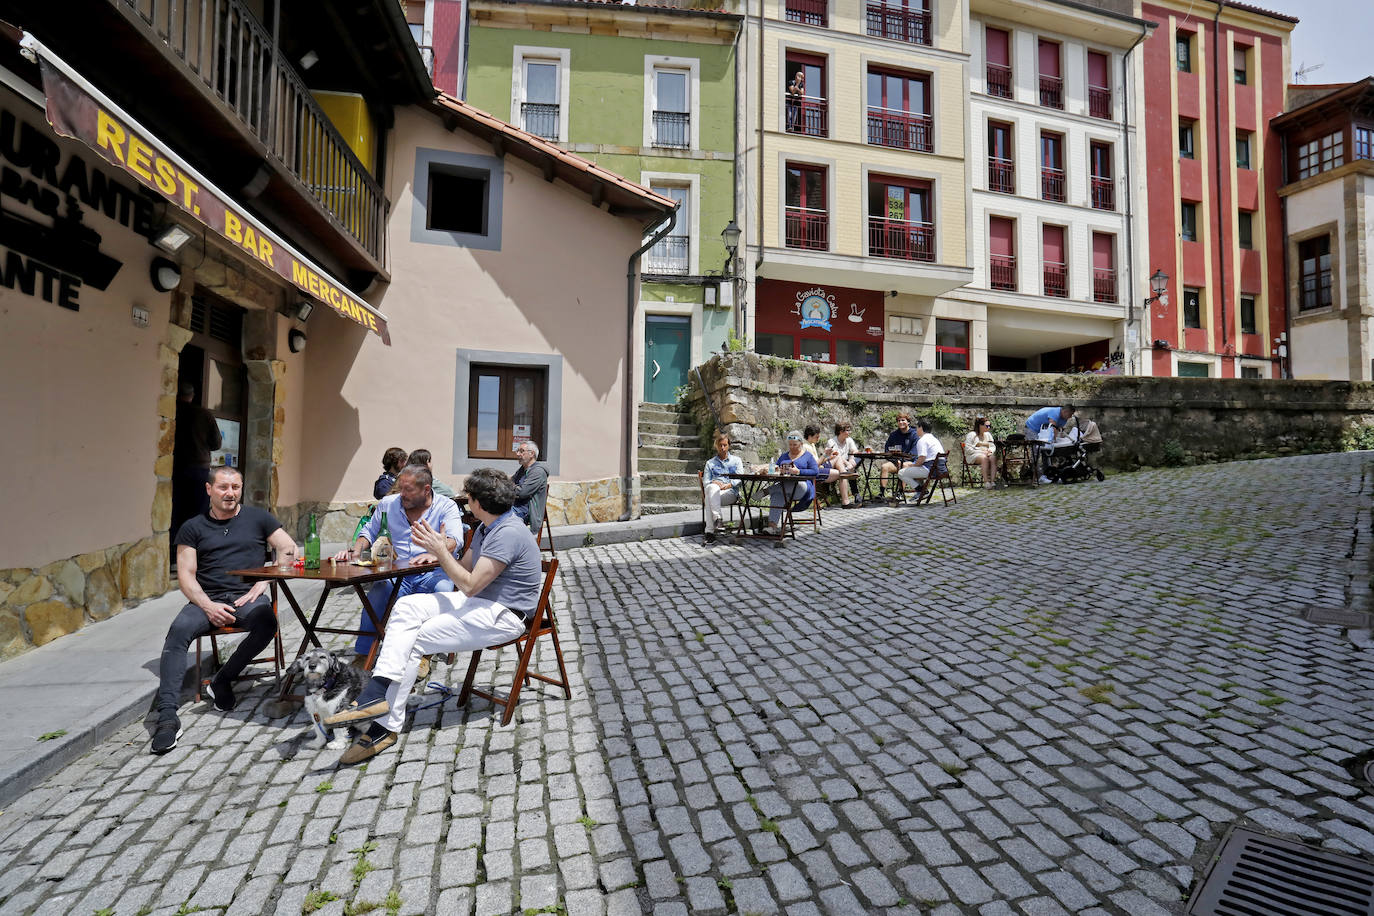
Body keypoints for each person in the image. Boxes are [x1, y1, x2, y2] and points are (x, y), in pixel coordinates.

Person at [324, 468, 543, 763]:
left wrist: (441, 552)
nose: (466, 503)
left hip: (503, 614)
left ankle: (383, 726)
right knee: (407, 606)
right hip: (479, 604)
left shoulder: (508, 533)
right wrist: (440, 552)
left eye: (469, 499)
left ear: (479, 502)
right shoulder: (484, 528)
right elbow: (462, 569)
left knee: (415, 639)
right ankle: (375, 694)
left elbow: (468, 584)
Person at [153, 465, 297, 754]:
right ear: (209, 490)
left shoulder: (259, 518)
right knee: (178, 632)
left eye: (235, 487)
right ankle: (167, 716)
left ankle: (223, 680)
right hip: (206, 598)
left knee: (266, 622)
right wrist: (207, 606)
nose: (230, 493)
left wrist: (264, 582)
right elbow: (186, 576)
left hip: (247, 596)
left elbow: (289, 548)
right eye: (223, 487)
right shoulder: (192, 527)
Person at [334, 464, 466, 657]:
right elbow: (369, 531)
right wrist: (356, 551)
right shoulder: (389, 503)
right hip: (398, 574)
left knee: (443, 590)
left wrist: (437, 551)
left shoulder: (446, 506)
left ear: (426, 489)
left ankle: (426, 654)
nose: (402, 494)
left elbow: (455, 540)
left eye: (408, 490)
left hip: (433, 572)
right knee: (379, 591)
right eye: (400, 488)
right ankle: (364, 654)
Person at [171, 382, 222, 541]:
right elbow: (216, 443)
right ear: (192, 396)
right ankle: (194, 547)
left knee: (175, 510)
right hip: (199, 470)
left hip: (175, 468)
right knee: (198, 512)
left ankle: (173, 550)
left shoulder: (172, 412)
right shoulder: (204, 414)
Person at [754, 430, 820, 536]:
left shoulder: (808, 456)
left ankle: (767, 491)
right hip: (784, 488)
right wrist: (777, 471)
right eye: (790, 445)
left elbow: (816, 472)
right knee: (777, 494)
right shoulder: (784, 456)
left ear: (801, 444)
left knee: (793, 484)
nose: (792, 447)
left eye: (795, 445)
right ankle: (772, 527)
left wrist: (799, 472)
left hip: (802, 488)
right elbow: (776, 468)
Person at [702, 431, 744, 540]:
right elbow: (705, 482)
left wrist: (729, 485)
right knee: (711, 488)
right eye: (720, 445)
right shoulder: (710, 463)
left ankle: (710, 532)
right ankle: (717, 520)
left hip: (731, 493)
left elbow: (740, 478)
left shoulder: (736, 461)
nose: (722, 448)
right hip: (715, 492)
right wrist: (714, 482)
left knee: (709, 498)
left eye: (725, 445)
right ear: (716, 446)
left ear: (729, 445)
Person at [1024, 405, 1076, 484]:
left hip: (1043, 432)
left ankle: (1047, 474)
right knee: (1036, 452)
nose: (1070, 417)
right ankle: (1038, 476)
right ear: (1065, 412)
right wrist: (1053, 441)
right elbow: (1053, 428)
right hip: (1032, 428)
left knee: (1046, 451)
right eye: (1070, 414)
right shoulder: (1055, 413)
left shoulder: (1064, 419)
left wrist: (1054, 442)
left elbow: (1058, 431)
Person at [897, 418, 943, 500]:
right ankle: (921, 491)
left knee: (901, 473)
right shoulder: (934, 439)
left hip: (931, 470)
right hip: (941, 469)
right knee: (914, 469)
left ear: (921, 428)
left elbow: (922, 458)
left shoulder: (922, 440)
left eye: (917, 428)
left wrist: (913, 465)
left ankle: (921, 491)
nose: (916, 430)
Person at [879, 412, 920, 501]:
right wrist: (895, 461)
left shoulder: (914, 435)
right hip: (896, 462)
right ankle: (881, 493)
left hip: (909, 462)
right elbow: (887, 450)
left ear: (908, 422)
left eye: (903, 420)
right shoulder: (894, 435)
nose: (901, 422)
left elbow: (914, 453)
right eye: (899, 421)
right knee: (884, 466)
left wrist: (902, 461)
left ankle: (900, 492)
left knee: (903, 466)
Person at [511, 441, 548, 535]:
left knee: (495, 517)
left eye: (521, 451)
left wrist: (512, 487)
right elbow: (508, 483)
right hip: (515, 506)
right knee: (487, 510)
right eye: (517, 451)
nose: (517, 454)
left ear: (531, 454)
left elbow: (523, 492)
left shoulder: (538, 472)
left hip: (527, 511)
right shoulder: (522, 469)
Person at [822, 422, 861, 507]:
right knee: (849, 469)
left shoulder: (849, 440)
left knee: (858, 459)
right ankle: (855, 493)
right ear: (840, 432)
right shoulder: (831, 442)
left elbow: (854, 451)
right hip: (836, 463)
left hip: (848, 463)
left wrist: (851, 458)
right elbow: (836, 456)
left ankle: (848, 472)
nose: (849, 432)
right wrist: (847, 463)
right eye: (847, 430)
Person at [963, 417, 997, 489]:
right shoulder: (972, 435)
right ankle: (986, 482)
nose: (988, 428)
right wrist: (982, 452)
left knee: (993, 458)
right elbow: (968, 449)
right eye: (987, 426)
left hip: (986, 453)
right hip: (973, 455)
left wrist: (990, 451)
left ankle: (992, 481)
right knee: (984, 458)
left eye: (989, 426)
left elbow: (992, 445)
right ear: (980, 426)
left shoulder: (988, 435)